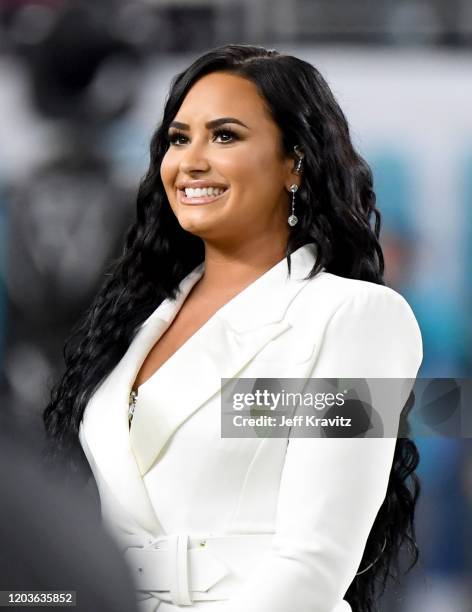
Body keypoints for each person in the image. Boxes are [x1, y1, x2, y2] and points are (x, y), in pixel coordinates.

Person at [43, 44, 423, 612]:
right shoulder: (133, 320)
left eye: (224, 136)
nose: (191, 161)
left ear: (295, 162)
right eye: (178, 138)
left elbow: (312, 566)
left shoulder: (354, 318)